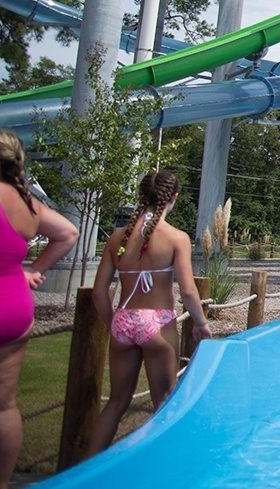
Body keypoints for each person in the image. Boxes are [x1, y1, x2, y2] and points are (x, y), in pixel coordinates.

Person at [89, 171, 211, 456]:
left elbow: (98, 292)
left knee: (117, 401)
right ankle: (163, 468)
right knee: (164, 403)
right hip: (157, 322)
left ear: (140, 196)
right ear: (174, 198)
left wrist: (114, 325)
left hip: (124, 320)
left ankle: (86, 470)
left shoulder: (117, 238)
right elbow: (189, 292)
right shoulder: (176, 238)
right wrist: (201, 323)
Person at [0, 129, 78, 489]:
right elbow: (69, 233)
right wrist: (34, 269)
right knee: (2, 405)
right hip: (14, 305)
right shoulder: (29, 203)